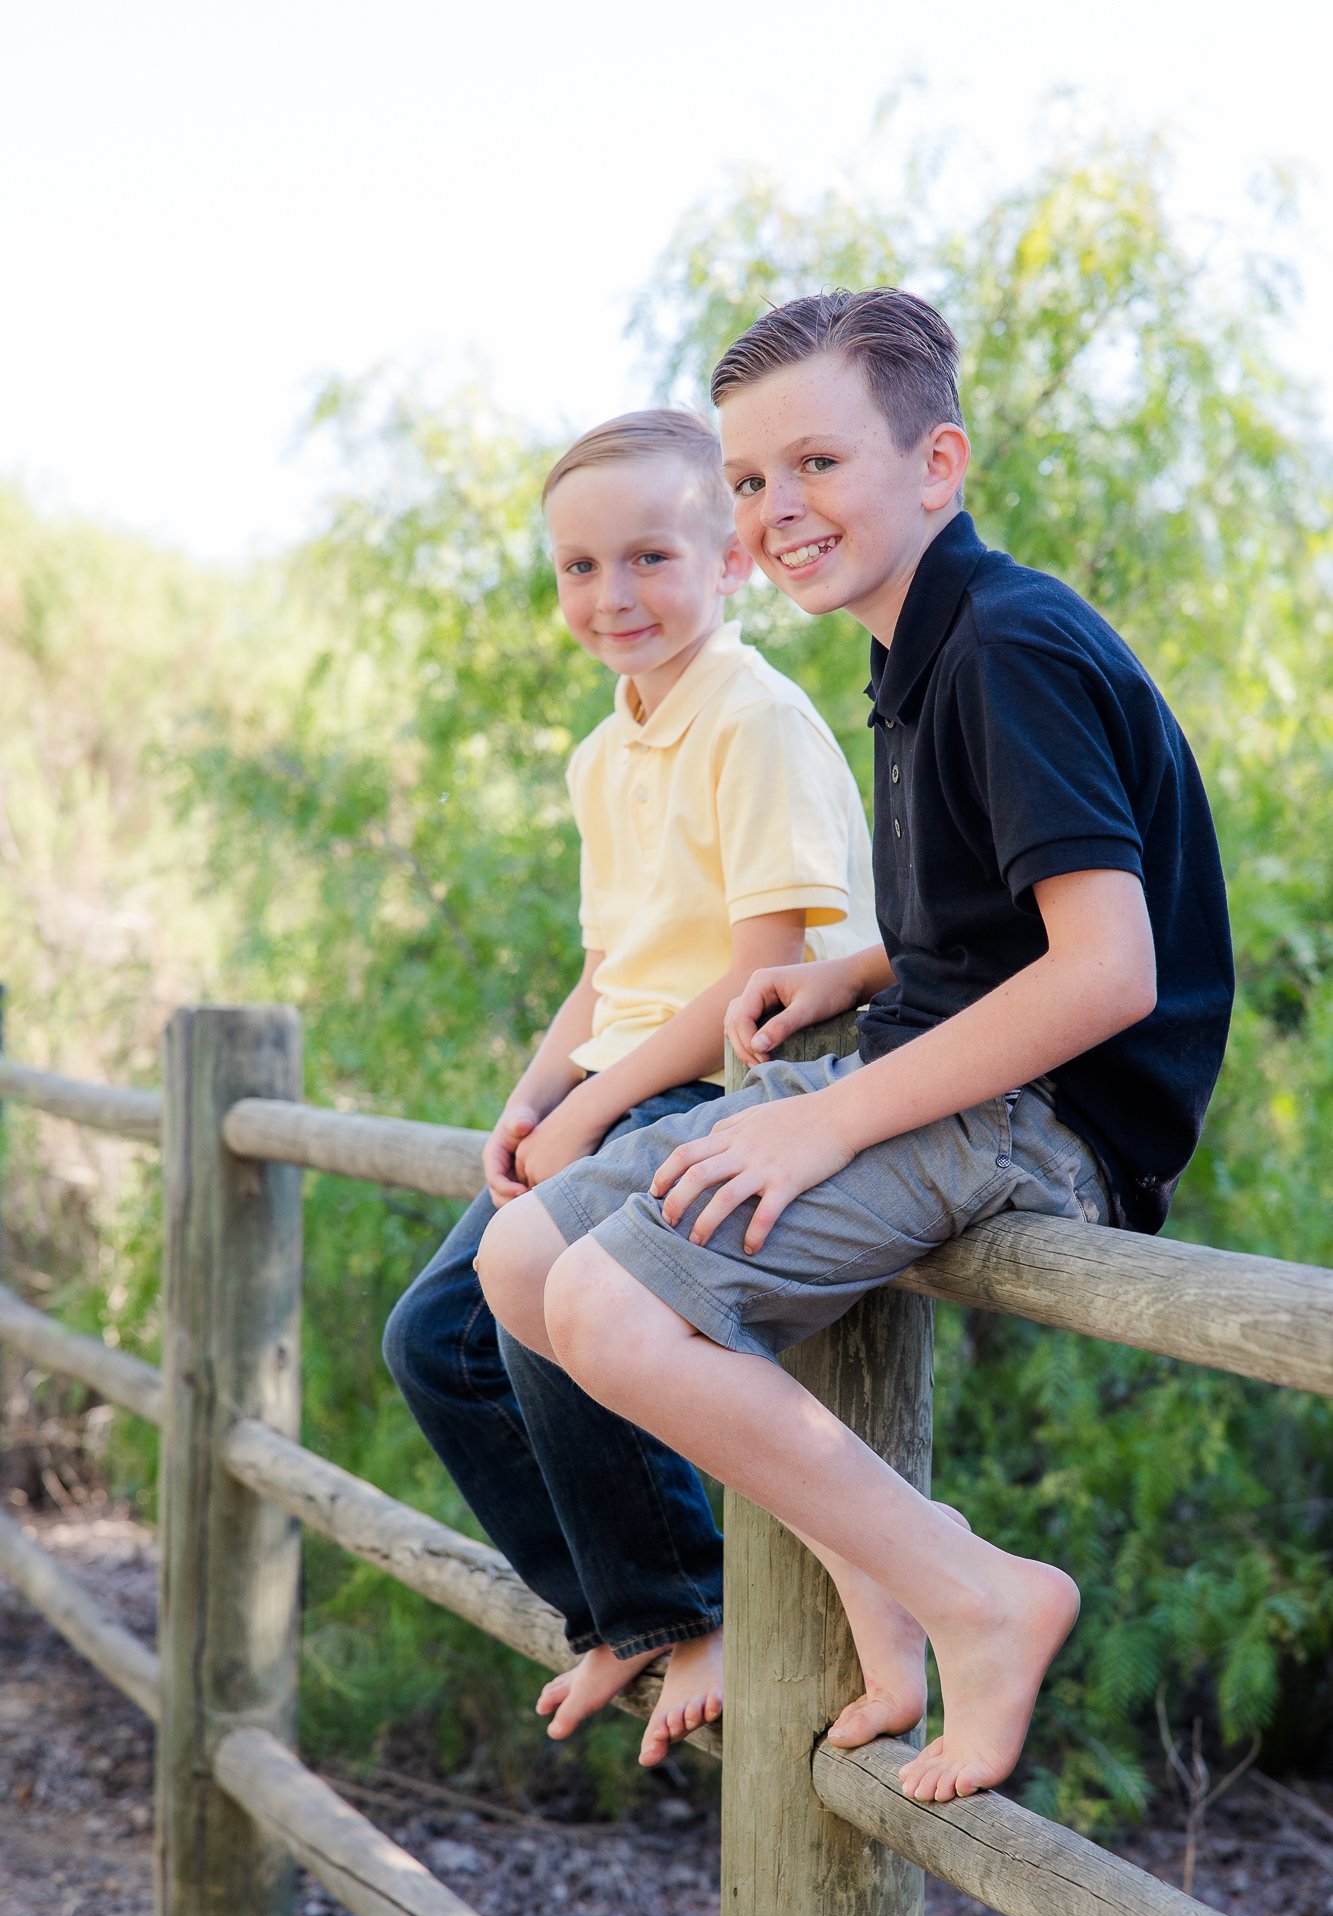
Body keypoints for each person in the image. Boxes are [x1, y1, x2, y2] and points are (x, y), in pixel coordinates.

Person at [476, 291, 1234, 1802]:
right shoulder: (922, 643)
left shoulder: (1009, 646)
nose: (775, 510)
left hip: (1044, 1110)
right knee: (519, 1267)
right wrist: (852, 972)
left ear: (935, 464)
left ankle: (979, 1594)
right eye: (750, 481)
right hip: (940, 1055)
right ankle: (877, 1594)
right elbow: (1001, 905)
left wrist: (818, 1122)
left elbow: (1103, 970)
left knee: (620, 1316)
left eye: (814, 464)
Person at [384, 407, 879, 1767]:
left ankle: (683, 1608)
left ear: (730, 561)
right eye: (580, 568)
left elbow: (754, 984)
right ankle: (620, 1613)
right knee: (431, 1345)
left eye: (651, 557)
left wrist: (594, 1114)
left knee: (541, 1282)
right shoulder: (604, 749)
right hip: (628, 1073)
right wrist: (534, 1097)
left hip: (741, 1078)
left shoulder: (755, 719)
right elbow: (614, 965)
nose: (614, 596)